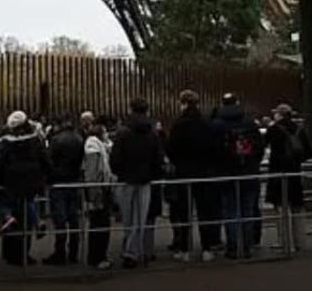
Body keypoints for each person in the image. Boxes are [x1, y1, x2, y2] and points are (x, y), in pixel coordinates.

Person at [166, 89, 221, 262]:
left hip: (184, 172)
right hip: (203, 172)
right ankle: (206, 248)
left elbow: (170, 148)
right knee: (205, 211)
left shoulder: (178, 124)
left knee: (184, 212)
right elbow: (214, 147)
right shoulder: (206, 123)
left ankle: (184, 249)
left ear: (182, 103)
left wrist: (179, 162)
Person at [109, 98, 163, 269]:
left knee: (127, 218)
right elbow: (158, 158)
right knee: (141, 217)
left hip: (126, 179)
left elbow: (115, 159)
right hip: (145, 180)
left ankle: (130, 251)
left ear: (130, 109)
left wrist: (119, 172)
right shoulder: (152, 132)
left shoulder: (123, 132)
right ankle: (136, 250)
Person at [0, 110, 48, 268]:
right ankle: (23, 255)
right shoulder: (35, 140)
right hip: (30, 184)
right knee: (26, 222)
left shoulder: (5, 142)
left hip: (9, 184)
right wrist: (47, 177)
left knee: (10, 217)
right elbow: (44, 160)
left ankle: (10, 254)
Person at [213, 93, 265, 259]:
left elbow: (213, 149)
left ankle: (233, 247)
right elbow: (259, 147)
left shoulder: (217, 125)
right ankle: (247, 246)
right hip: (248, 172)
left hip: (226, 173)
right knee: (247, 209)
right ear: (237, 102)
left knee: (230, 210)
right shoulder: (249, 123)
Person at [264, 103, 312, 253]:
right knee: (297, 207)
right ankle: (300, 242)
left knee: (281, 208)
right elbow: (309, 151)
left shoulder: (274, 129)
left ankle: (285, 242)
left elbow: (263, 145)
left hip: (278, 171)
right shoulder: (299, 129)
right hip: (295, 172)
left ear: (280, 114)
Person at [44, 114, 84, 266]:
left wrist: (49, 179)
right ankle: (74, 252)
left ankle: (60, 252)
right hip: (74, 182)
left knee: (60, 219)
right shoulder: (79, 138)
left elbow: (50, 161)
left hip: (59, 182)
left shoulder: (56, 139)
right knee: (74, 218)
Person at [82, 120, 115, 270]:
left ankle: (100, 255)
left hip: (102, 189)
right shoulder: (93, 148)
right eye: (105, 132)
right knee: (99, 225)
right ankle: (96, 257)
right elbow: (92, 173)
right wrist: (94, 195)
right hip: (99, 191)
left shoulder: (100, 146)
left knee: (101, 224)